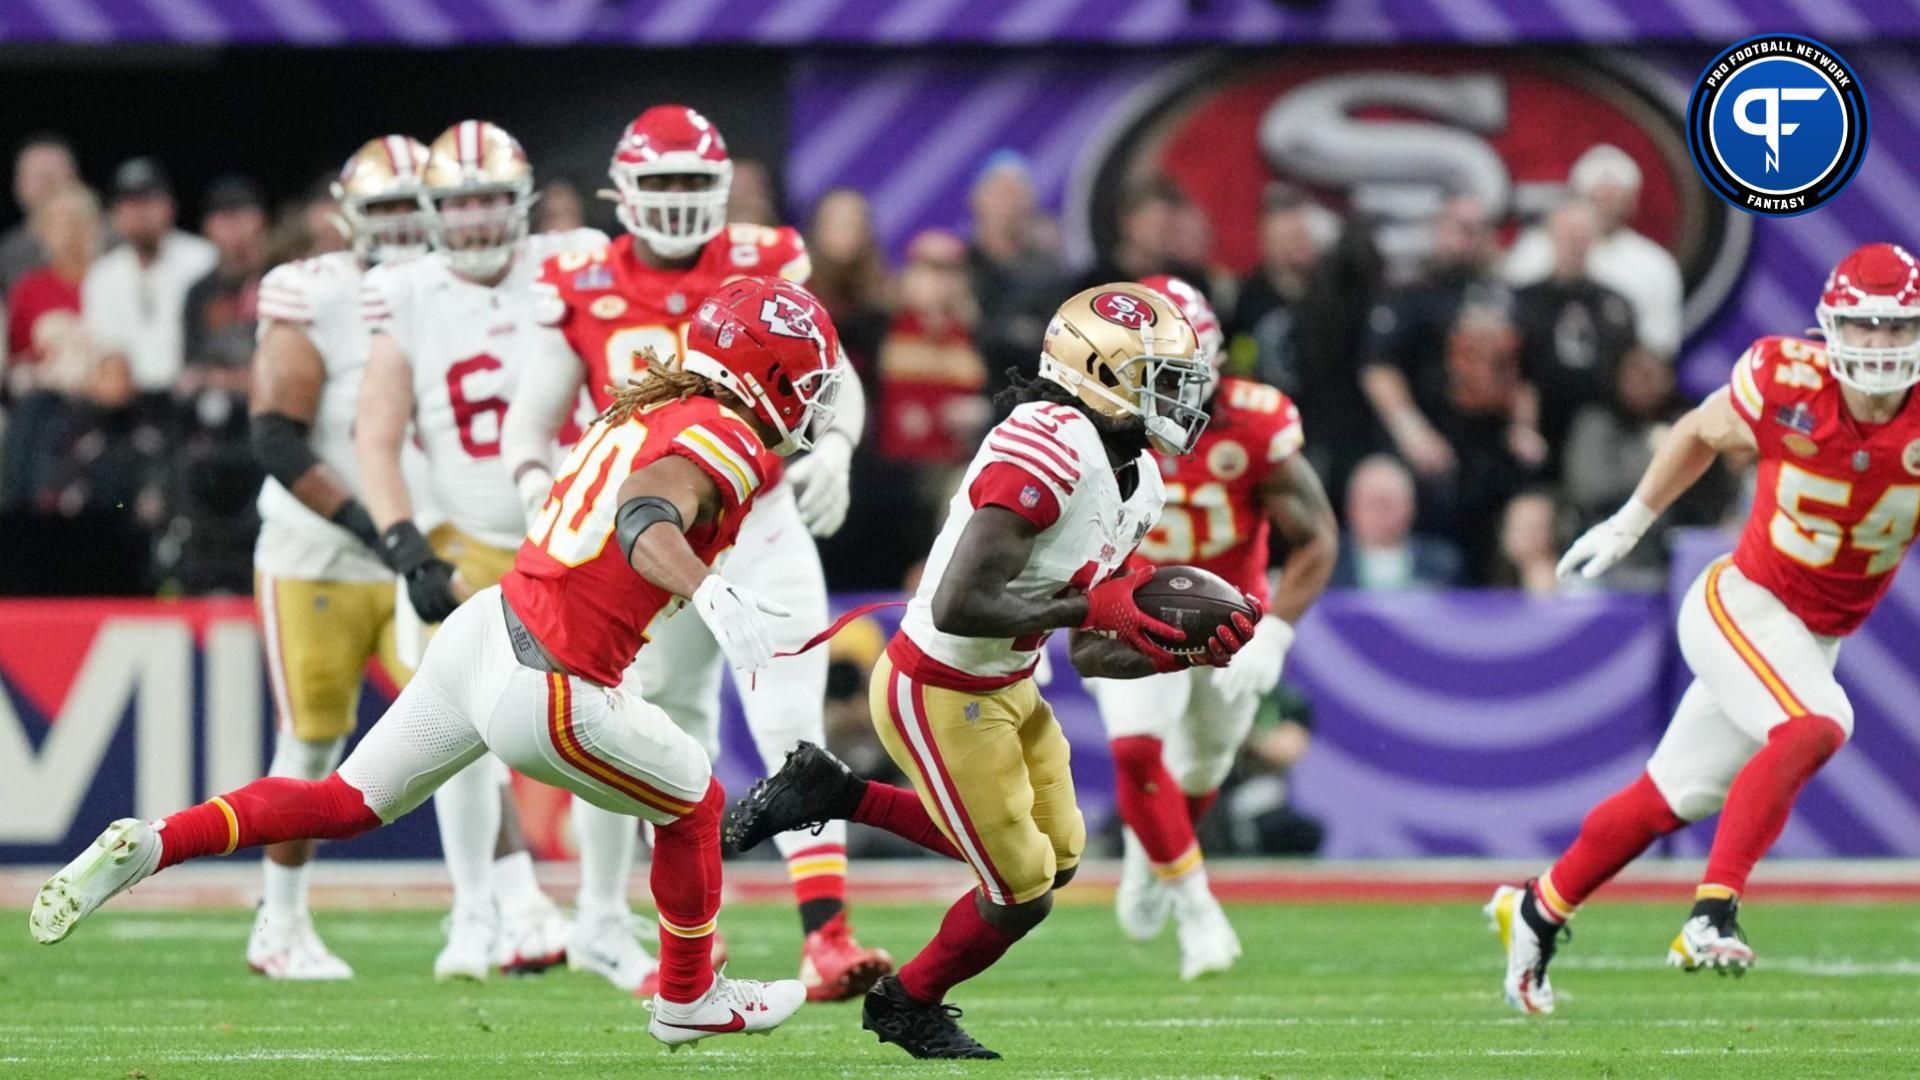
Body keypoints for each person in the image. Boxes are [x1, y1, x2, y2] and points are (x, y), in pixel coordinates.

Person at [32, 275, 842, 1048]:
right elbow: (643, 513)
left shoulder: (657, 402)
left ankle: (156, 842)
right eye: (805, 381)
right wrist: (708, 589)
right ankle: (689, 998)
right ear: (763, 374)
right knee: (695, 800)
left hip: (488, 626)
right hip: (553, 682)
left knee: (344, 800)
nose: (812, 400)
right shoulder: (732, 436)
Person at [726, 283, 1257, 1059]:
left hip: (1007, 683)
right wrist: (1096, 608)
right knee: (1020, 893)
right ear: (1096, 373)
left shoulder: (1139, 478)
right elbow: (956, 602)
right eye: (1156, 377)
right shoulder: (1051, 441)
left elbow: (1090, 651)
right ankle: (906, 1003)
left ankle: (832, 792)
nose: (1177, 396)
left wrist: (1174, 648)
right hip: (936, 685)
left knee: (1060, 855)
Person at [497, 105, 889, 1002]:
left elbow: (836, 377)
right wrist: (541, 494)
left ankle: (826, 935)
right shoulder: (581, 278)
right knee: (646, 731)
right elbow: (531, 420)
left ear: (723, 191)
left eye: (690, 184)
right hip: (659, 546)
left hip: (763, 522)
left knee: (792, 719)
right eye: (660, 183)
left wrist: (834, 446)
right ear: (624, 192)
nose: (676, 202)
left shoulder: (766, 259)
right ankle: (614, 918)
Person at [1489, 243, 1920, 1014]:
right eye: (1863, 327)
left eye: (1897, 329)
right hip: (1743, 602)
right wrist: (1629, 524)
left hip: (1812, 634)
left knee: (1673, 793)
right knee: (1819, 723)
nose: (1880, 347)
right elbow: (1697, 431)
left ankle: (1537, 909)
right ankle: (1710, 912)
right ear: (1832, 328)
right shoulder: (1788, 380)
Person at [354, 121, 611, 984]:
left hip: (573, 535)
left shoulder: (574, 260)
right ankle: (474, 912)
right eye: (458, 201)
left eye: (489, 199)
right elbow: (377, 434)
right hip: (460, 536)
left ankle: (603, 914)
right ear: (433, 209)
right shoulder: (407, 290)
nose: (472, 219)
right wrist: (405, 544)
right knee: (456, 738)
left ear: (523, 202)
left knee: (612, 722)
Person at [1087, 276, 1336, 981]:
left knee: (1199, 771)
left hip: (1230, 614)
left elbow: (1317, 536)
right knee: (1138, 755)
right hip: (1133, 602)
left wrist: (1280, 630)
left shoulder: (1256, 422)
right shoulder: (1099, 416)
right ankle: (1198, 911)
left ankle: (1149, 855)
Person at [242, 135, 437, 979]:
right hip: (321, 554)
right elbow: (276, 436)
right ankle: (278, 926)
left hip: (426, 551)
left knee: (477, 731)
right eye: (382, 208)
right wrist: (376, 525)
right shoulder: (313, 292)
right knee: (312, 744)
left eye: (409, 207)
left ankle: (498, 914)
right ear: (348, 214)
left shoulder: (463, 292)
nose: (397, 226)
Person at [170, 176, 275, 596]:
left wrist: (227, 379)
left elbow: (281, 371)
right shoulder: (200, 292)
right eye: (223, 219)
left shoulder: (279, 281)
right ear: (209, 229)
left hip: (267, 421)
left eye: (242, 216)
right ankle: (192, 580)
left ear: (260, 222)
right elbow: (190, 367)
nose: (234, 229)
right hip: (212, 427)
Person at [1505, 145, 1686, 360]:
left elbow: (1658, 346)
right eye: (1596, 198)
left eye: (1614, 198)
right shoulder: (1534, 249)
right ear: (1575, 197)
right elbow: (1510, 321)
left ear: (1633, 202)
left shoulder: (1655, 264)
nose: (1605, 208)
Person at [1511, 200, 1637, 471]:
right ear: (1551, 235)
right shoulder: (1522, 300)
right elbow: (1517, 373)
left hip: (1602, 427)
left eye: (1582, 234)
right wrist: (1522, 426)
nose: (1575, 242)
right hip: (1541, 423)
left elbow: (1628, 372)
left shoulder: (1616, 304)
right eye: (1568, 233)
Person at [82, 159, 217, 407]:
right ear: (115, 214)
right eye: (130, 204)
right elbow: (106, 349)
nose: (140, 213)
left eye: (149, 201)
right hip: (129, 405)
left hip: (191, 398)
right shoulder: (102, 274)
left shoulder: (204, 260)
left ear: (169, 206)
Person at [2, 185, 101, 510]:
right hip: (47, 405)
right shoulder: (29, 289)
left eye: (76, 221)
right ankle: (22, 513)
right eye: (57, 223)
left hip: (102, 402)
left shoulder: (110, 281)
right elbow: (16, 359)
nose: (68, 232)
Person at [966, 152, 1066, 396]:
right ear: (977, 199)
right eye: (1000, 193)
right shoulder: (960, 267)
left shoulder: (1050, 274)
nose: (1008, 204)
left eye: (1016, 194)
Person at [1329, 454, 1463, 590]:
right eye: (1372, 503)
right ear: (1351, 508)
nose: (1380, 512)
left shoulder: (1441, 564)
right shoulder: (1328, 567)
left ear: (1411, 507)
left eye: (1387, 503)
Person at [0, 134, 80, 293]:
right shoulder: (6, 253)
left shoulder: (109, 240)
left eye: (54, 174)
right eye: (37, 176)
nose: (47, 184)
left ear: (75, 180)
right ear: (18, 186)